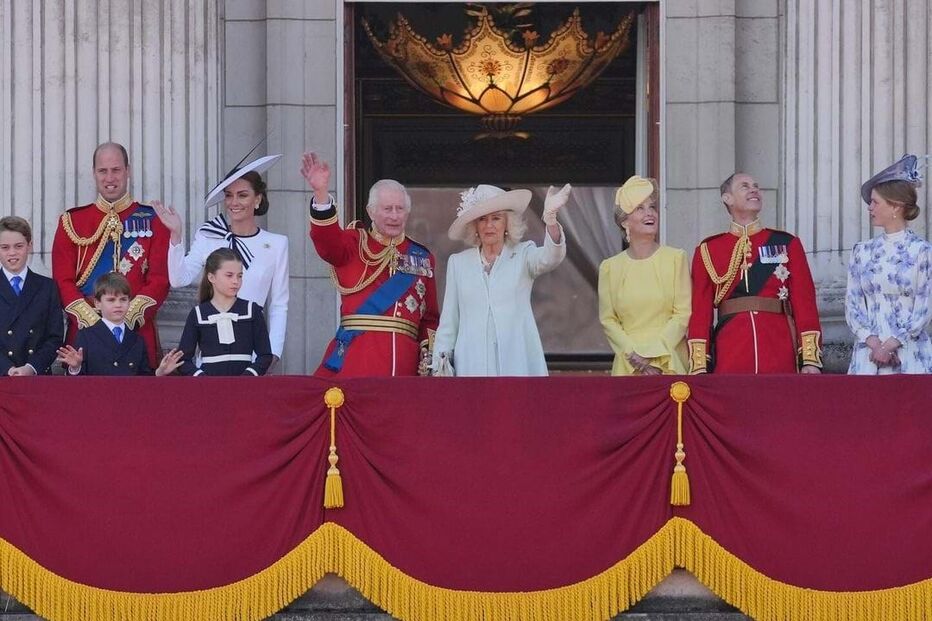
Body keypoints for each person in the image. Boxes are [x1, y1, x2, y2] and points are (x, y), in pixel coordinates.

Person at [302, 152, 439, 377]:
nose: (394, 216)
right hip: (358, 360)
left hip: (406, 366)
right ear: (371, 211)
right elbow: (327, 242)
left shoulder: (422, 257)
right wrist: (321, 194)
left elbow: (430, 318)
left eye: (399, 209)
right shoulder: (354, 243)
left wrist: (428, 354)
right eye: (387, 209)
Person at [154, 154, 289, 364]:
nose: (234, 202)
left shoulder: (277, 244)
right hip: (211, 343)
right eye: (229, 195)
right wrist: (176, 236)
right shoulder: (209, 235)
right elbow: (179, 279)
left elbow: (279, 303)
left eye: (242, 195)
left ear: (258, 199)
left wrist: (272, 353)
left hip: (253, 345)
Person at [687, 172, 823, 374]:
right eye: (744, 186)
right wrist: (699, 365)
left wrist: (809, 359)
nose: (754, 190)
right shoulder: (708, 249)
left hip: (779, 346)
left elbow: (805, 303)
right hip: (731, 350)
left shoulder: (786, 243)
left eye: (756, 186)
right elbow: (700, 312)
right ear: (727, 198)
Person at [430, 183, 570, 376]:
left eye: (496, 218)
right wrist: (440, 363)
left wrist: (551, 220)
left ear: (507, 224)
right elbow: (449, 321)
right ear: (475, 226)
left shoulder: (523, 255)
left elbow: (550, 257)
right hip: (471, 364)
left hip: (516, 361)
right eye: (482, 220)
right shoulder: (458, 263)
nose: (489, 225)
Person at [51, 142, 170, 368]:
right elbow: (62, 281)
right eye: (102, 171)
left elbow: (160, 279)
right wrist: (94, 322)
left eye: (116, 170)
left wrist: (125, 317)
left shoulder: (154, 219)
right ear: (94, 173)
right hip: (85, 331)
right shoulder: (72, 221)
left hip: (135, 333)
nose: (109, 178)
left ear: (128, 171)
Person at [846, 154, 932, 374]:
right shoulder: (862, 251)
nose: (870, 208)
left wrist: (891, 344)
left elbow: (924, 307)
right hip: (868, 355)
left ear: (896, 206)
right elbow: (853, 304)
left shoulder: (922, 252)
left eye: (875, 202)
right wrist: (875, 344)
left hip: (910, 354)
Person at [598, 176, 690, 375]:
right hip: (628, 364)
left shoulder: (676, 258)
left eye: (652, 207)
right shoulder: (610, 268)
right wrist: (635, 356)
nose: (650, 213)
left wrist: (653, 354)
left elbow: (682, 314)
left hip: (669, 360)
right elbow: (608, 320)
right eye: (640, 208)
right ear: (624, 222)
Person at [55, 272, 183, 376]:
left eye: (123, 299)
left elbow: (144, 381)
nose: (118, 305)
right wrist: (75, 368)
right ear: (97, 303)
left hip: (128, 404)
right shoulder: (86, 336)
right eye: (111, 300)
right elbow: (77, 385)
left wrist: (159, 373)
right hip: (97, 403)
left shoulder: (137, 340)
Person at [177, 248, 273, 376]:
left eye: (240, 276)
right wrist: (202, 378)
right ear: (211, 277)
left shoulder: (252, 310)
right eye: (229, 275)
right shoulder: (198, 314)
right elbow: (183, 360)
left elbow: (265, 355)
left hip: (245, 389)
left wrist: (248, 377)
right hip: (209, 389)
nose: (235, 281)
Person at [0, 217, 64, 376]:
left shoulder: (47, 287)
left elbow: (54, 337)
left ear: (30, 246)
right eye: (5, 247)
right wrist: (6, 368)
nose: (12, 253)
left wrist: (32, 367)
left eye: (19, 246)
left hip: (36, 377)